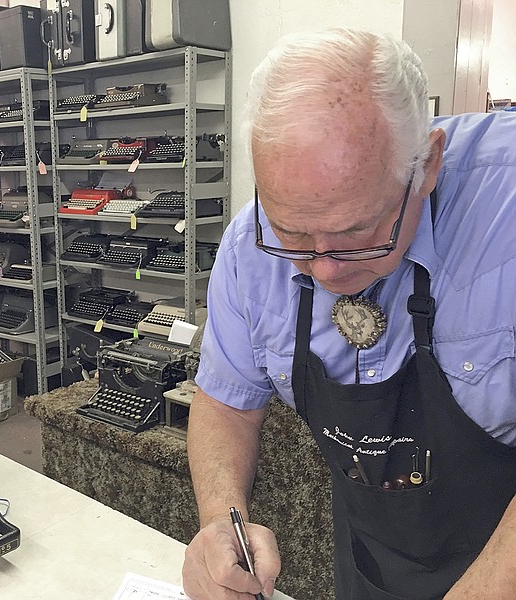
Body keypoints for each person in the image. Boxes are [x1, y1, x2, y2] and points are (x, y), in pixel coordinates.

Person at [182, 28, 516, 600]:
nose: (326, 271)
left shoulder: (504, 208)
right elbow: (225, 404)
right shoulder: (249, 245)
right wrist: (220, 522)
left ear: (427, 165)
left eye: (357, 234)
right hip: (373, 563)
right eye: (292, 234)